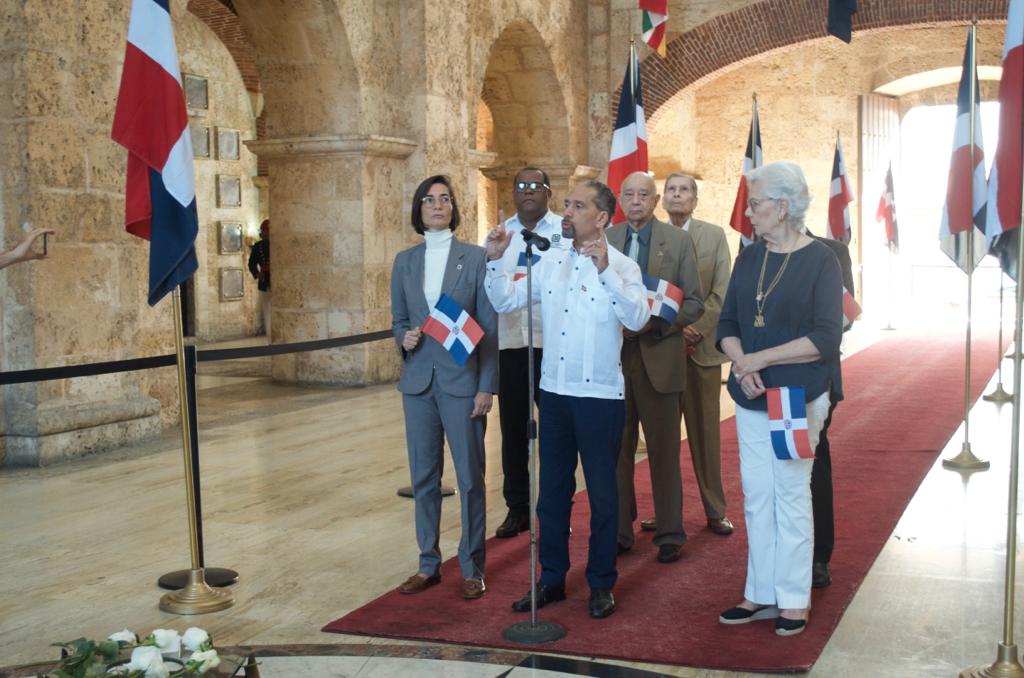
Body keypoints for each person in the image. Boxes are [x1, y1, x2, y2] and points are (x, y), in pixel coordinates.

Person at [485, 180, 650, 619]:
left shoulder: (623, 265)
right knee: (551, 495)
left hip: (599, 397)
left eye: (578, 206)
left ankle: (600, 583)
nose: (567, 212)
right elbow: (505, 300)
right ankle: (551, 579)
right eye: (567, 204)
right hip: (554, 395)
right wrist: (497, 260)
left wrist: (605, 272)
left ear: (601, 217)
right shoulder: (550, 259)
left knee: (602, 495)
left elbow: (637, 316)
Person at [715, 161, 843, 637]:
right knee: (756, 495)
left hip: (796, 395)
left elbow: (826, 337)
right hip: (750, 397)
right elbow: (726, 324)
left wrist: (758, 359)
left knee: (790, 493)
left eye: (757, 203)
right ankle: (760, 592)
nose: (749, 212)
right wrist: (742, 362)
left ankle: (793, 597)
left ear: (784, 206)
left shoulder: (822, 260)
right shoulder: (749, 258)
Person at [390, 175, 498, 601]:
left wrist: (486, 386)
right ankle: (427, 563)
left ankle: (472, 566)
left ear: (454, 208)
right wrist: (403, 338)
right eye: (429, 200)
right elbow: (399, 319)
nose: (437, 205)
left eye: (445, 199)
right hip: (418, 382)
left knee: (471, 478)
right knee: (424, 478)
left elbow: (488, 327)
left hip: (462, 382)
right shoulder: (405, 261)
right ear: (418, 210)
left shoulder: (474, 258)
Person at [607, 172, 704, 564]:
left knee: (663, 451)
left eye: (643, 195)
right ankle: (618, 530)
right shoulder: (605, 240)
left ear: (655, 199)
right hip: (612, 362)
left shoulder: (678, 241)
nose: (635, 201)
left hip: (660, 356)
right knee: (616, 451)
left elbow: (694, 301)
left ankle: (669, 532)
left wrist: (657, 323)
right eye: (628, 194)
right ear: (619, 198)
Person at [652, 173, 735, 537]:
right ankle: (666, 512)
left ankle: (715, 509)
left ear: (695, 200)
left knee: (704, 436)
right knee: (663, 439)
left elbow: (721, 290)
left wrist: (696, 327)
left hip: (700, 350)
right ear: (663, 199)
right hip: (661, 351)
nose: (677, 195)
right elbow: (648, 290)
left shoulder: (713, 236)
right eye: (671, 190)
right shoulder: (653, 238)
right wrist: (671, 328)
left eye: (684, 190)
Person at [493, 167, 563, 539]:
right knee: (513, 430)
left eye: (536, 186)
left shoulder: (562, 233)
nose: (528, 192)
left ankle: (555, 509)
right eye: (521, 186)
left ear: (549, 192)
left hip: (551, 344)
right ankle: (517, 507)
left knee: (553, 431)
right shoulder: (501, 234)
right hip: (511, 346)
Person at [805, 230, 855, 589]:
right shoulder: (756, 253)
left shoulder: (832, 251)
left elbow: (847, 317)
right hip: (767, 382)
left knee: (813, 462)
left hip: (817, 378)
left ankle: (818, 555)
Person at [248, 220, 271, 338]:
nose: (263, 233)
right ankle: (270, 336)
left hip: (278, 281)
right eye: (263, 231)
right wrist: (257, 274)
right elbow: (251, 264)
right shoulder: (258, 247)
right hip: (265, 280)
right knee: (267, 310)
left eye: (265, 231)